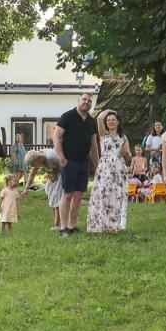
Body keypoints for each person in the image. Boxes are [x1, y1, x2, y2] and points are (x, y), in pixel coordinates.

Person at [53, 92, 99, 235]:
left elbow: (93, 145)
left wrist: (97, 165)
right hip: (69, 162)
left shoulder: (92, 121)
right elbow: (56, 136)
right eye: (84, 99)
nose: (87, 102)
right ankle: (63, 227)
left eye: (89, 101)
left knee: (79, 195)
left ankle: (72, 226)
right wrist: (62, 158)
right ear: (78, 100)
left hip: (83, 164)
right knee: (67, 194)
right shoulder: (67, 117)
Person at [87, 109, 131, 234]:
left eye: (113, 120)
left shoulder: (123, 137)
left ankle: (114, 225)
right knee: (102, 194)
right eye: (109, 120)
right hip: (105, 168)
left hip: (119, 168)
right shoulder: (103, 135)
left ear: (118, 122)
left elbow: (129, 157)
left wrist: (125, 153)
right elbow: (99, 118)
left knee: (116, 195)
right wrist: (109, 111)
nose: (110, 121)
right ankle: (100, 224)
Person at [24, 149, 63, 230]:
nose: (32, 167)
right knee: (51, 194)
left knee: (57, 196)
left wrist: (54, 172)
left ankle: (58, 224)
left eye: (32, 164)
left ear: (37, 159)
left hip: (62, 172)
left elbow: (63, 165)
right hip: (53, 173)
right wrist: (26, 189)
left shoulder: (51, 157)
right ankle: (56, 222)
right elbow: (32, 174)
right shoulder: (37, 160)